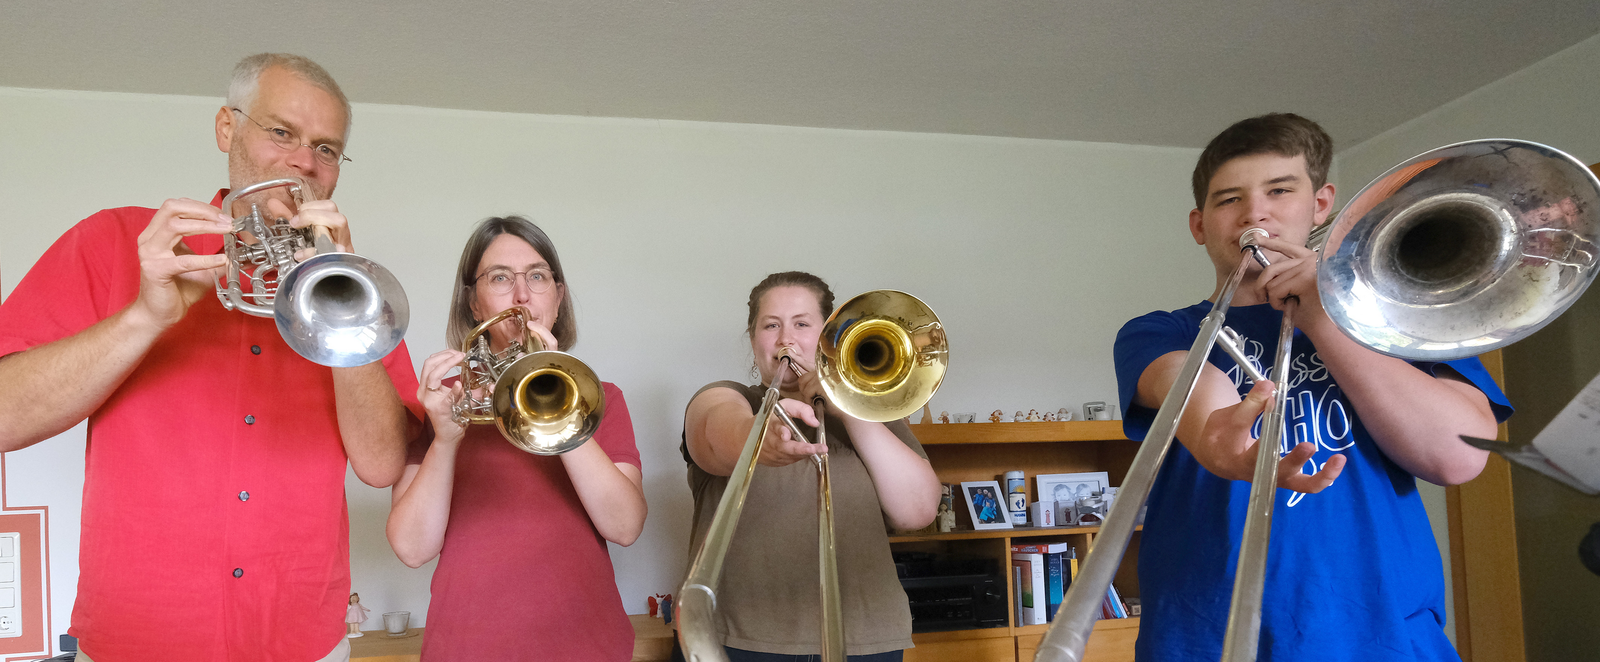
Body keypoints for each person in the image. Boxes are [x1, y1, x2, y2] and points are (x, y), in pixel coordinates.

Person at [0, 53, 422, 662]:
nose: (304, 161)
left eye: (326, 149)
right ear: (227, 128)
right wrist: (145, 318)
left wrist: (338, 295)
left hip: (301, 639)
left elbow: (382, 465)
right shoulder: (112, 240)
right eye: (282, 132)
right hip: (136, 639)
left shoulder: (354, 292)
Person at [1113, 113, 1512, 662]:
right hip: (1204, 638)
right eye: (1228, 199)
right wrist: (1214, 436)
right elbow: (1191, 389)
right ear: (1200, 225)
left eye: (1279, 190)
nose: (1255, 212)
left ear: (1321, 204)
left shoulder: (1403, 322)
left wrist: (1322, 318)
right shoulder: (1160, 331)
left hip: (1383, 638)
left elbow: (1458, 457)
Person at [387, 215, 645, 661]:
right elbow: (412, 548)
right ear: (473, 303)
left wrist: (562, 399)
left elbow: (624, 527)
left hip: (588, 647)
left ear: (558, 297)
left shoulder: (600, 398)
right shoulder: (440, 405)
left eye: (538, 277)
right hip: (466, 648)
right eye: (501, 278)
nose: (523, 295)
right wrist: (445, 440)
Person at [679, 271, 941, 661]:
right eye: (771, 325)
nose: (786, 338)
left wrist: (849, 410)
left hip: (866, 636)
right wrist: (759, 438)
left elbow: (917, 511)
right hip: (740, 638)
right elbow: (714, 433)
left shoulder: (876, 418)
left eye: (802, 324)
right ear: (753, 342)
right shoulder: (728, 396)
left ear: (828, 337)